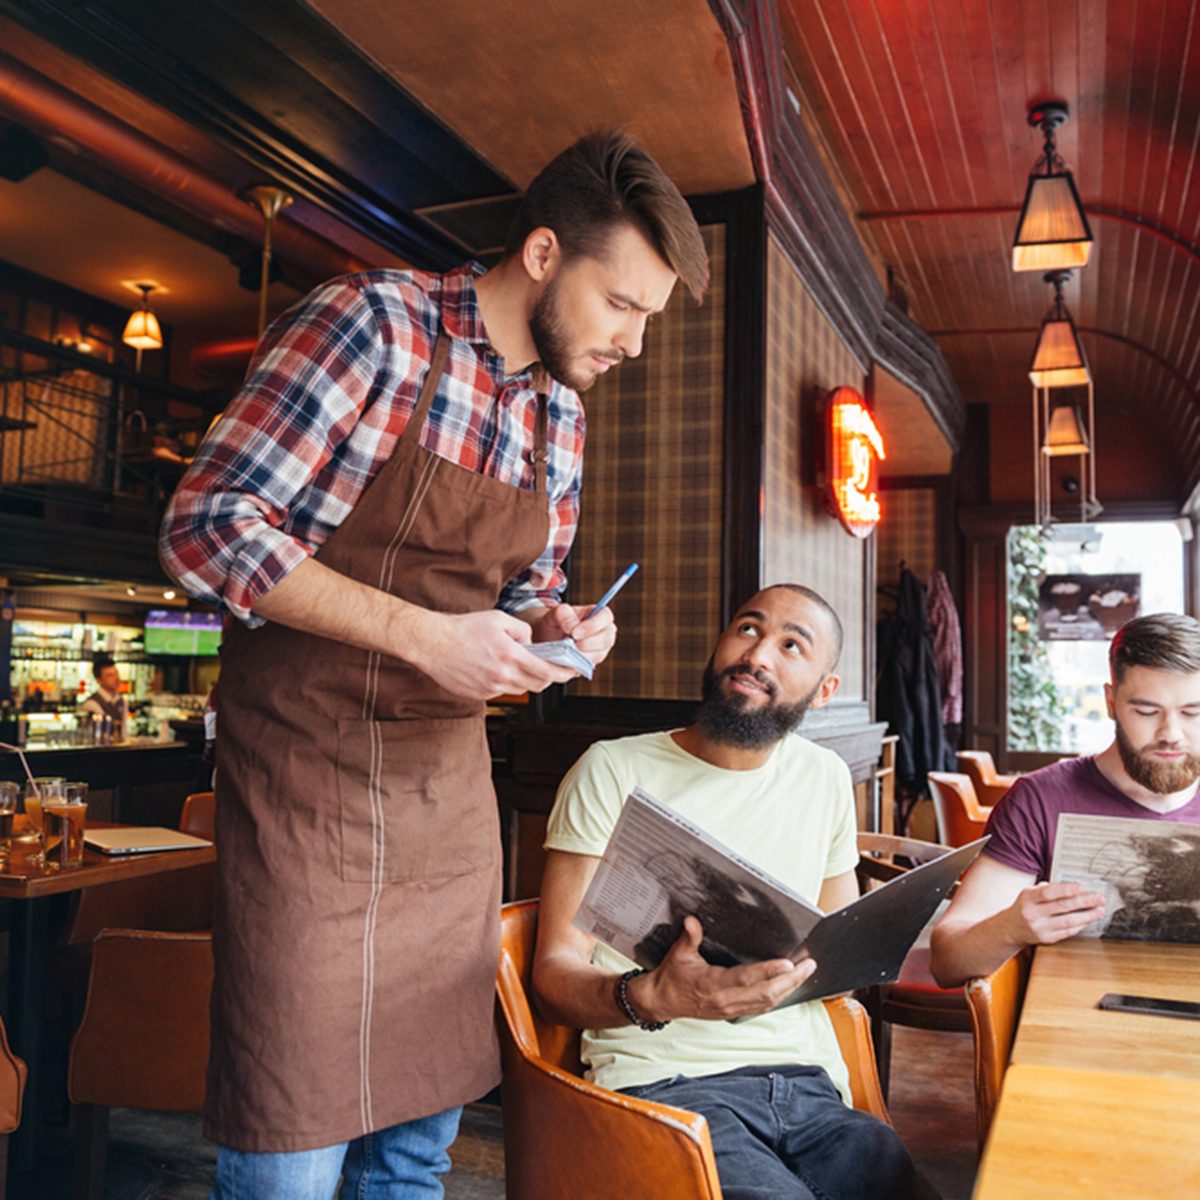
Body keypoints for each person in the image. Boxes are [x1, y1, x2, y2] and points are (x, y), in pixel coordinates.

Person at [158, 130, 708, 1197]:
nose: (635, 341)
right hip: (302, 803)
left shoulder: (561, 415)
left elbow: (513, 597)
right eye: (624, 305)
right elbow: (205, 527)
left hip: (444, 811)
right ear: (545, 253)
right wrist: (421, 634)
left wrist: (555, 630)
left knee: (416, 1160)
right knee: (291, 1147)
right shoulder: (373, 326)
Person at [534, 585, 930, 1200]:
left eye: (791, 645)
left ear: (825, 691)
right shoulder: (613, 769)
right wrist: (654, 996)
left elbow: (838, 958)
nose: (759, 655)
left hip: (810, 1089)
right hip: (666, 1086)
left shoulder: (823, 776)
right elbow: (553, 972)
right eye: (748, 629)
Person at [930, 612, 1200, 987]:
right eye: (1146, 711)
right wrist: (1010, 927)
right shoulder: (1041, 799)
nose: (1171, 733)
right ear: (1110, 702)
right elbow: (947, 961)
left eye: (1193, 712)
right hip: (1072, 1021)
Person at [79, 654, 126, 738]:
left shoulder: (121, 700)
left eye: (116, 673)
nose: (116, 678)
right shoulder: (92, 704)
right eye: (110, 675)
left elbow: (124, 731)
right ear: (98, 680)